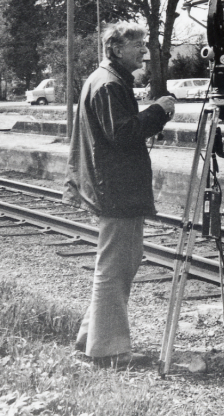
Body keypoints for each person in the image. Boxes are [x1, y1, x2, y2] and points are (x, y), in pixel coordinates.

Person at [64, 22, 176, 369]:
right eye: (137, 45)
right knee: (116, 267)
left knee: (115, 264)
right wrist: (160, 110)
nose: (144, 51)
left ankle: (92, 339)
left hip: (112, 185)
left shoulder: (105, 80)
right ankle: (109, 351)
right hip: (116, 188)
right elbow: (124, 134)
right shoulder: (109, 84)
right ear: (115, 49)